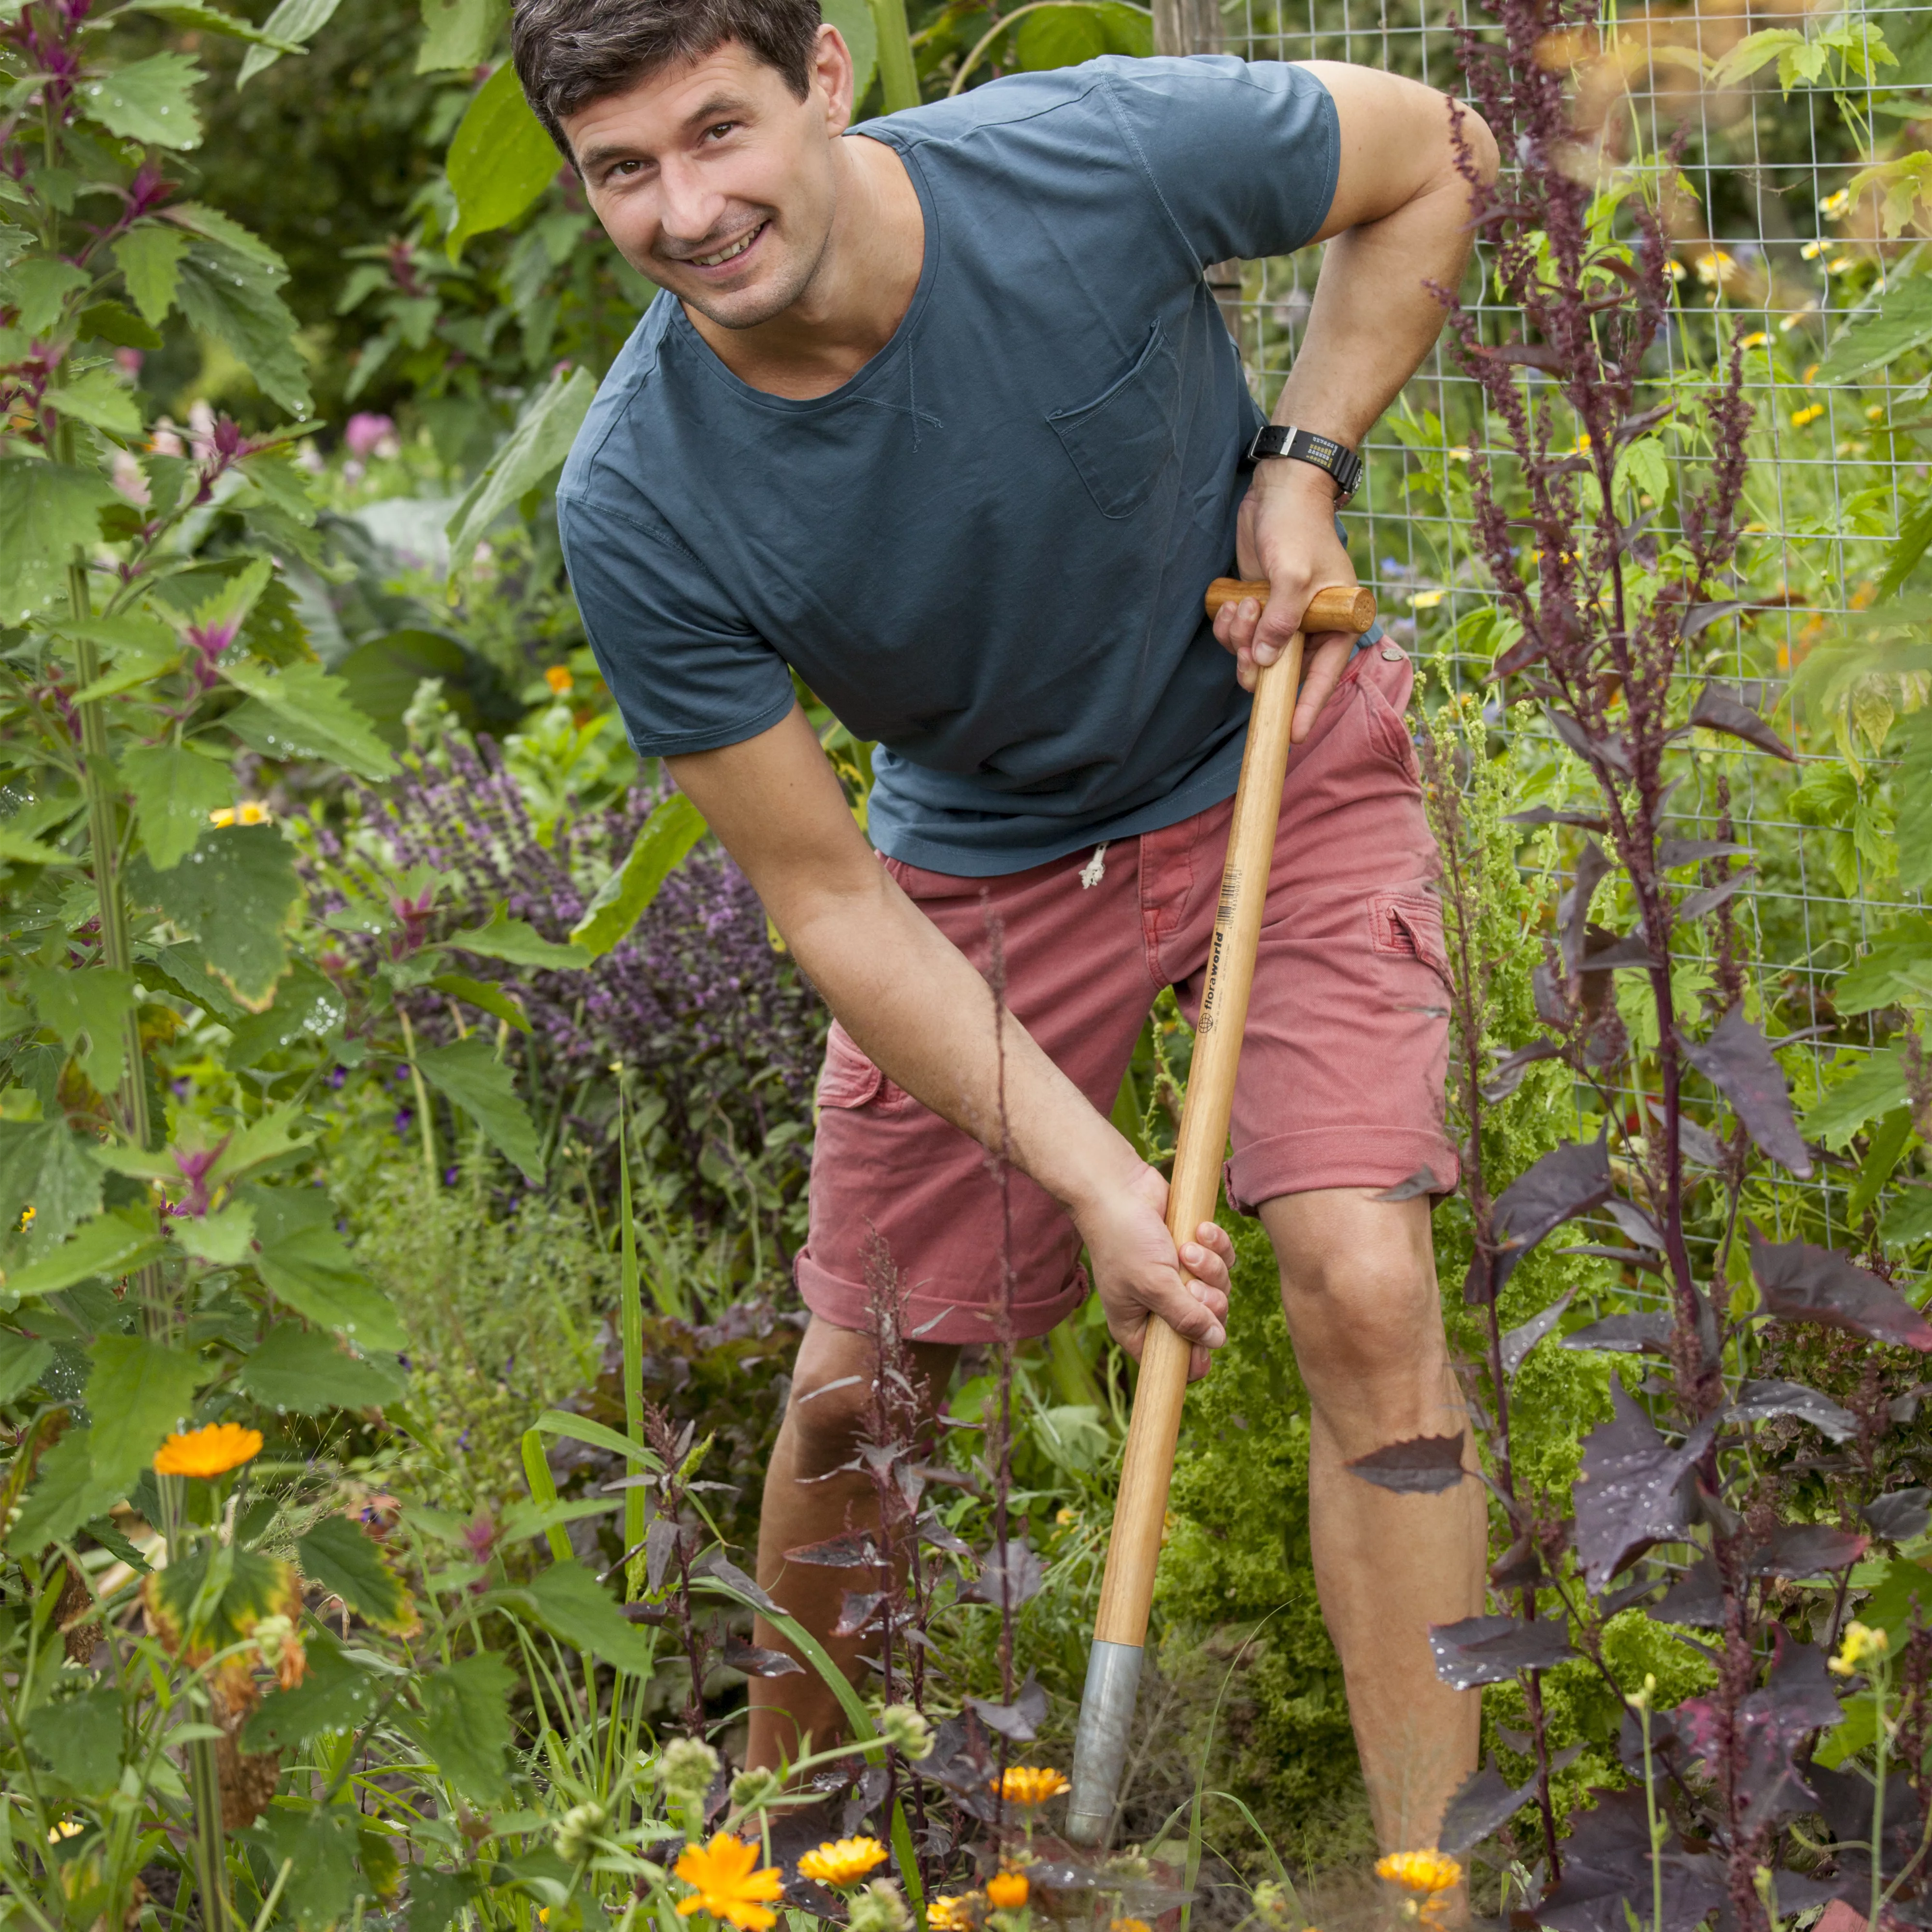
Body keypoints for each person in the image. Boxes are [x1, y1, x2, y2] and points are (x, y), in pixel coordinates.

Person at [512, 0, 1498, 1857]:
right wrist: (1099, 1181)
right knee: (861, 1384)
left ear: (823, 77)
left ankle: (1431, 1880)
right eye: (623, 172)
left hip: (1271, 752)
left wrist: (1305, 454)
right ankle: (779, 1858)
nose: (687, 208)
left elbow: (1441, 149)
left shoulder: (1089, 156)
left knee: (1366, 1289)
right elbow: (824, 895)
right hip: (972, 864)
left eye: (718, 131)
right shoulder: (645, 494)